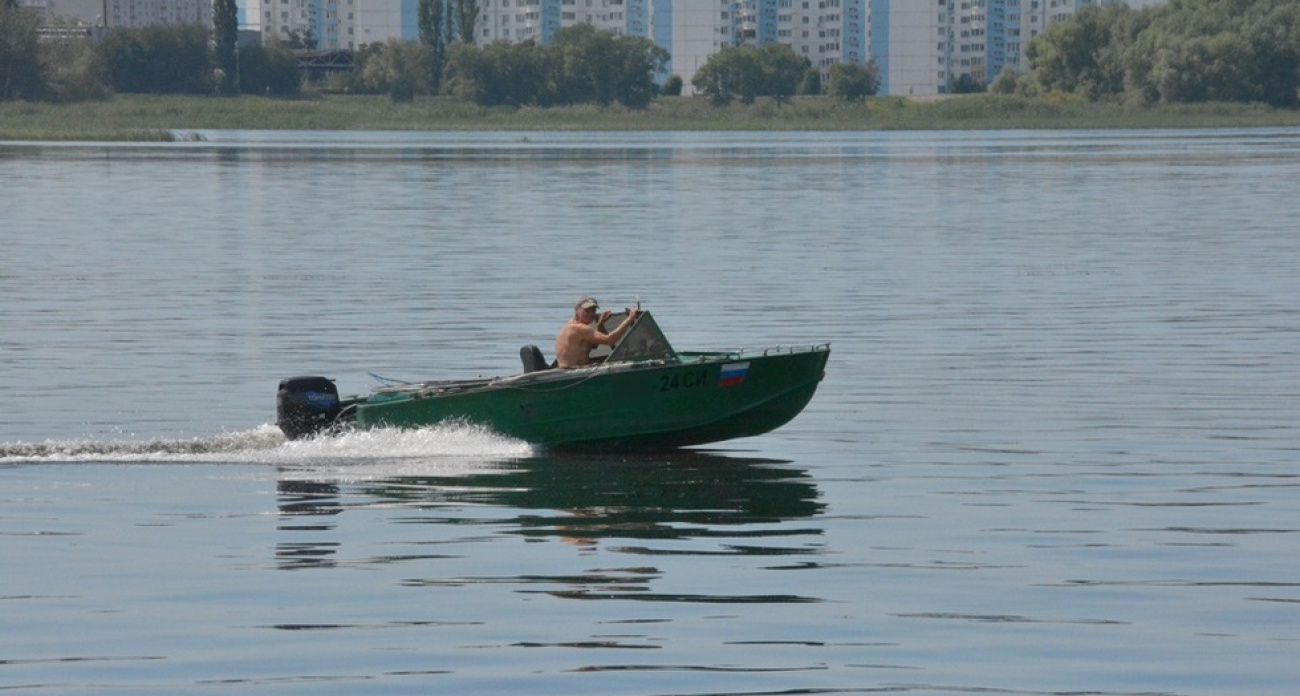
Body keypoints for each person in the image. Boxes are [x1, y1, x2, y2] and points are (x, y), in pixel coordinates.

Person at [554, 296, 640, 369]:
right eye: (587, 311)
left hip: (570, 369)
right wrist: (630, 319)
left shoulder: (570, 326)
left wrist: (600, 325)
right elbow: (609, 340)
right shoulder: (580, 328)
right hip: (573, 372)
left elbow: (594, 345)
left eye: (593, 311)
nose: (591, 314)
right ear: (577, 310)